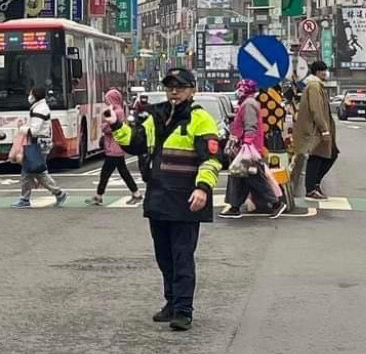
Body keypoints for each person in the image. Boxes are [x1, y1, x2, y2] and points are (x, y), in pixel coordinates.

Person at [108, 67, 222, 332]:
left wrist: (203, 188)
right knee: (164, 257)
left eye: (180, 87)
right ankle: (171, 302)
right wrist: (116, 125)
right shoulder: (156, 116)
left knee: (182, 256)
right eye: (170, 86)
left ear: (192, 90)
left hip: (185, 199)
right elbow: (135, 143)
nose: (174, 92)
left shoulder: (200, 119)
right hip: (158, 196)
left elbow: (211, 159)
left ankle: (183, 310)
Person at [220, 79, 286, 218]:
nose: (238, 91)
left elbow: (251, 125)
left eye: (240, 88)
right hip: (248, 147)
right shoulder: (248, 103)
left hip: (249, 148)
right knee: (239, 176)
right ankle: (235, 207)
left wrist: (247, 143)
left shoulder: (248, 104)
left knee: (254, 178)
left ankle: (276, 203)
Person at [13, 86, 68, 208]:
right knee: (35, 171)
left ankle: (27, 199)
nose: (29, 96)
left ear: (35, 95)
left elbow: (35, 130)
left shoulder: (39, 109)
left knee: (33, 171)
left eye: (31, 94)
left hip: (38, 143)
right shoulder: (40, 107)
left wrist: (22, 128)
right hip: (40, 143)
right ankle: (56, 193)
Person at [292, 61, 338, 200]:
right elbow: (316, 110)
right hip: (315, 130)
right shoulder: (314, 86)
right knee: (317, 157)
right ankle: (311, 188)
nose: (325, 73)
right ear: (317, 72)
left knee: (328, 155)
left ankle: (314, 185)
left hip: (317, 129)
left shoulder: (317, 86)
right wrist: (324, 130)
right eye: (323, 71)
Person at [88, 88, 141, 206]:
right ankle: (135, 193)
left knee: (106, 173)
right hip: (115, 147)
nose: (107, 102)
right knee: (122, 172)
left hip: (114, 147)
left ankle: (98, 196)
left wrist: (104, 124)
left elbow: (108, 128)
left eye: (108, 99)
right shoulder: (119, 110)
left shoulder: (117, 112)